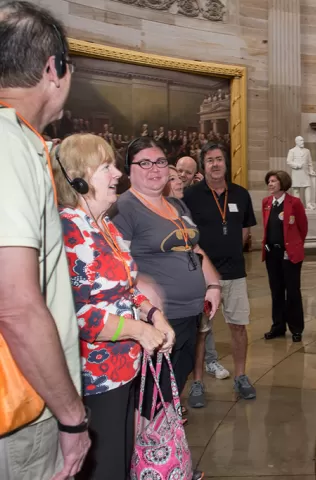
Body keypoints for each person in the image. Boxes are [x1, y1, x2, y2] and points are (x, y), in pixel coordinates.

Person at [0, 3, 91, 479]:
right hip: (20, 406)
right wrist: (72, 417)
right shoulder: (8, 143)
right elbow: (15, 305)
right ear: (53, 70)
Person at [53, 133, 174, 479]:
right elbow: (77, 314)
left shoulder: (104, 225)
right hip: (94, 380)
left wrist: (154, 314)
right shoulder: (70, 230)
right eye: (106, 167)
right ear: (78, 177)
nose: (117, 174)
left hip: (124, 371)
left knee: (121, 462)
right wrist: (139, 330)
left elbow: (127, 288)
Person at [111, 138, 221, 432]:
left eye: (160, 161)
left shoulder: (175, 203)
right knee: (150, 398)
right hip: (159, 320)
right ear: (129, 170)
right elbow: (117, 266)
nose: (155, 169)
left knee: (172, 390)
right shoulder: (124, 208)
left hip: (191, 314)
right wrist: (144, 291)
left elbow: (194, 249)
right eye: (144, 163)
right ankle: (148, 463)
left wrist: (213, 285)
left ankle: (167, 460)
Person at [184, 142, 257, 403]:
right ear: (203, 166)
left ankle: (240, 376)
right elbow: (187, 235)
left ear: (226, 164)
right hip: (203, 276)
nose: (215, 164)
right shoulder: (191, 196)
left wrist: (231, 249)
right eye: (210, 160)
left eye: (219, 159)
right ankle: (197, 383)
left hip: (235, 272)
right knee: (201, 330)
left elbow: (246, 230)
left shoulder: (240, 194)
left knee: (239, 326)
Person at [261, 170, 308, 342]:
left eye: (274, 181)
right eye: (269, 181)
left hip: (290, 254)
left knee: (293, 291)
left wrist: (293, 246)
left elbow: (302, 228)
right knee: (276, 291)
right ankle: (278, 326)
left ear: (282, 183)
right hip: (272, 253)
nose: (270, 184)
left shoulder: (294, 203)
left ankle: (296, 328)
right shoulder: (266, 202)